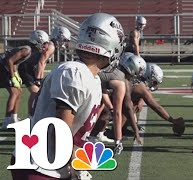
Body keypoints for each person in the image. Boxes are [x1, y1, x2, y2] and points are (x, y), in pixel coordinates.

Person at [10, 13, 125, 180]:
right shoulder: (75, 73)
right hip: (40, 166)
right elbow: (60, 130)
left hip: (52, 165)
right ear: (111, 44)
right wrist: (77, 165)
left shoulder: (90, 78)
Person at [93, 52, 146, 155]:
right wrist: (119, 141)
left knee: (102, 109)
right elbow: (121, 110)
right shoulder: (121, 81)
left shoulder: (115, 69)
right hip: (88, 82)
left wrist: (110, 107)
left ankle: (89, 135)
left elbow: (102, 89)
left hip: (88, 78)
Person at [130, 63, 185, 135]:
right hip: (114, 106)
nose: (154, 85)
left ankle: (123, 127)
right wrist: (172, 120)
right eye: (155, 82)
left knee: (136, 103)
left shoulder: (137, 80)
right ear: (149, 76)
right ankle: (116, 131)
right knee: (131, 105)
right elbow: (156, 107)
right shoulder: (141, 87)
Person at [18, 30, 54, 118]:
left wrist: (40, 78)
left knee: (37, 93)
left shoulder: (44, 47)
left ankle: (33, 115)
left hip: (30, 69)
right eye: (44, 43)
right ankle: (30, 116)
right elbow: (41, 63)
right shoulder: (31, 48)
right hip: (25, 70)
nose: (46, 45)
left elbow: (42, 63)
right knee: (35, 93)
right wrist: (39, 79)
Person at [0, 45, 31, 129]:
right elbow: (10, 61)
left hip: (4, 66)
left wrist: (16, 75)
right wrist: (13, 77)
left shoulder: (28, 50)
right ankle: (6, 121)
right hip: (2, 67)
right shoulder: (27, 50)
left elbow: (14, 63)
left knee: (19, 91)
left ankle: (13, 118)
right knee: (14, 93)